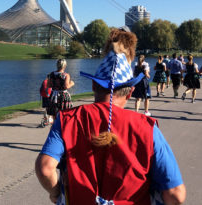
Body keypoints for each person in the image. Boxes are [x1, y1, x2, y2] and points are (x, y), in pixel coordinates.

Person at [35, 28, 186, 205]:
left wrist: (55, 193)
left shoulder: (67, 120)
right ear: (130, 93)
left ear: (93, 85)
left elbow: (45, 169)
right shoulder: (147, 128)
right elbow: (175, 194)